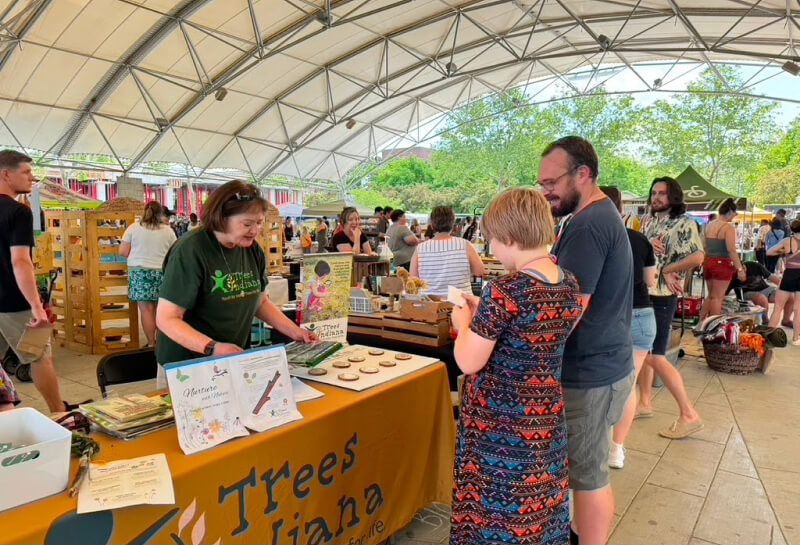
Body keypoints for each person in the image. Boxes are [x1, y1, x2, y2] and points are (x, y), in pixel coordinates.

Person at [449, 188, 583, 545]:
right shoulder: (568, 283)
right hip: (545, 423)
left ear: (509, 237)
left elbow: (468, 361)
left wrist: (463, 323)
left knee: (497, 517)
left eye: (492, 240)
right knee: (538, 509)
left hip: (500, 431)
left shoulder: (505, 290)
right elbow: (536, 335)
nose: (491, 249)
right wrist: (484, 315)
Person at [541, 136, 634, 545]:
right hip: (605, 365)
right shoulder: (598, 215)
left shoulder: (587, 224)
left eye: (551, 182)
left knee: (588, 477)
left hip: (589, 373)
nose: (546, 191)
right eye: (542, 183)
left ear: (583, 174)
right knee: (586, 472)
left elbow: (570, 309)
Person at [155, 181, 318, 377]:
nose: (255, 230)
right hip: (186, 365)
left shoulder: (252, 250)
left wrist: (295, 332)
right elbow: (167, 318)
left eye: (259, 223)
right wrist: (211, 348)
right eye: (247, 224)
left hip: (230, 357)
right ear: (221, 217)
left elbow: (259, 302)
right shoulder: (191, 250)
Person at [0, 150, 67, 413]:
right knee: (40, 356)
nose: (32, 177)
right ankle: (60, 413)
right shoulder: (19, 212)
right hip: (14, 302)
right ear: (6, 174)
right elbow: (21, 261)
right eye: (26, 172)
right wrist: (37, 307)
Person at [638, 177, 704, 440]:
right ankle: (645, 403)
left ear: (673, 196)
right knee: (643, 350)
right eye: (654, 192)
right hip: (645, 292)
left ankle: (689, 414)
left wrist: (669, 269)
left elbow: (697, 256)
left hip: (663, 296)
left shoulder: (685, 223)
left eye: (662, 193)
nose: (657, 197)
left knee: (655, 356)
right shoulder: (649, 221)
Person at [600, 187, 657, 471]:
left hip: (610, 317)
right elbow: (650, 281)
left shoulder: (595, 238)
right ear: (621, 209)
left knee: (600, 386)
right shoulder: (639, 239)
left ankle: (598, 446)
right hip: (643, 315)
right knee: (627, 385)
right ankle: (616, 449)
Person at [120, 201, 177, 347]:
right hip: (162, 274)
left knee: (146, 311)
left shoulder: (133, 228)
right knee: (162, 311)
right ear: (161, 214)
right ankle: (163, 345)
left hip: (140, 273)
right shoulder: (168, 231)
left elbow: (123, 252)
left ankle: (151, 344)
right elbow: (175, 254)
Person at [410, 206, 485, 298]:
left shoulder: (420, 249)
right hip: (461, 302)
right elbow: (479, 271)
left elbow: (413, 279)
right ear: (453, 223)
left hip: (429, 303)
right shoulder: (465, 245)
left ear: (431, 224)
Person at [700, 199, 746, 320]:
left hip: (708, 262)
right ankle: (714, 326)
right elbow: (731, 250)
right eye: (734, 213)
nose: (734, 216)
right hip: (722, 264)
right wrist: (740, 269)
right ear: (730, 211)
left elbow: (704, 246)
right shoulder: (728, 228)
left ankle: (701, 322)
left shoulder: (709, 225)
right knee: (717, 298)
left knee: (711, 296)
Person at [730, 261, 792, 326]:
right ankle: (765, 321)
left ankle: (786, 320)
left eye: (743, 270)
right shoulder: (732, 275)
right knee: (761, 298)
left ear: (744, 267)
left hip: (765, 289)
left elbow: (772, 277)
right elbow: (725, 292)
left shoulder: (754, 265)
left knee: (789, 295)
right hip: (746, 293)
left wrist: (785, 287)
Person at [767, 220, 800, 345]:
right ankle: (796, 339)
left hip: (789, 275)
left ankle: (769, 337)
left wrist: (782, 251)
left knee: (778, 308)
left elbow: (769, 252)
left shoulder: (787, 241)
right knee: (798, 310)